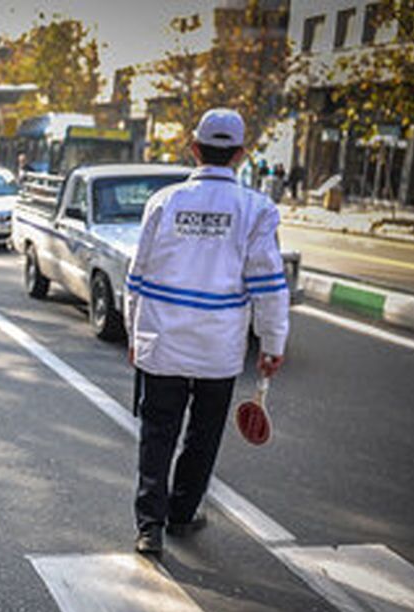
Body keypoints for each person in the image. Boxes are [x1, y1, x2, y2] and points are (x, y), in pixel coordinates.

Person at [125, 108, 290, 555]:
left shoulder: (163, 202)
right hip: (218, 350)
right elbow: (269, 286)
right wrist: (272, 344)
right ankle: (182, 513)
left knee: (157, 434)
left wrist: (132, 334)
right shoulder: (257, 210)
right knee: (203, 434)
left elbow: (136, 276)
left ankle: (149, 528)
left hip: (162, 343)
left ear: (194, 148)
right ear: (240, 154)